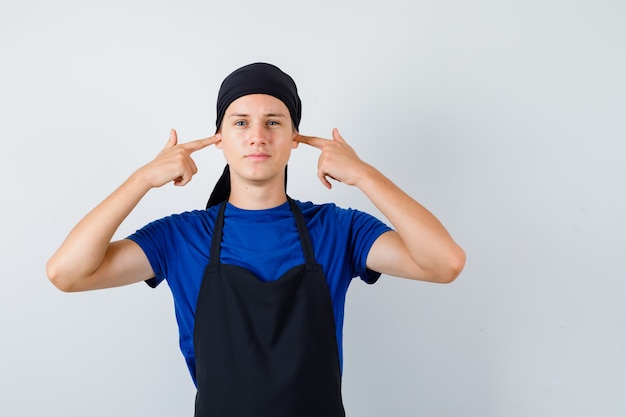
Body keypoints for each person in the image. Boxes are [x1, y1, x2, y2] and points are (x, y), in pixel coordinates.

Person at [47, 62, 466, 417]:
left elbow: (444, 263)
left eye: (273, 122)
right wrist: (142, 179)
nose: (257, 136)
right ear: (219, 139)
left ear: (294, 139)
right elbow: (67, 273)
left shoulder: (338, 230)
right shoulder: (182, 237)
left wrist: (363, 175)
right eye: (241, 122)